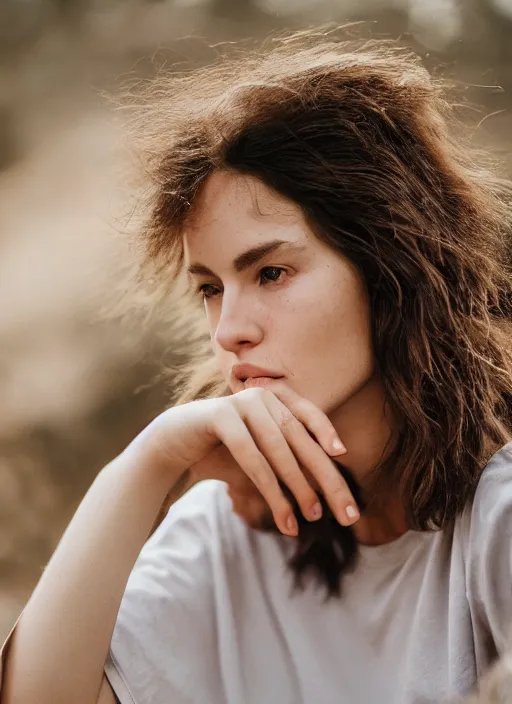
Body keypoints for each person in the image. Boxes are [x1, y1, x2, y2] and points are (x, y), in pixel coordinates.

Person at [1, 26, 512, 704]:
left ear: (388, 268)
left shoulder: (496, 518)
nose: (229, 331)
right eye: (210, 288)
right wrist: (147, 463)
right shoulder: (224, 532)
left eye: (271, 272)